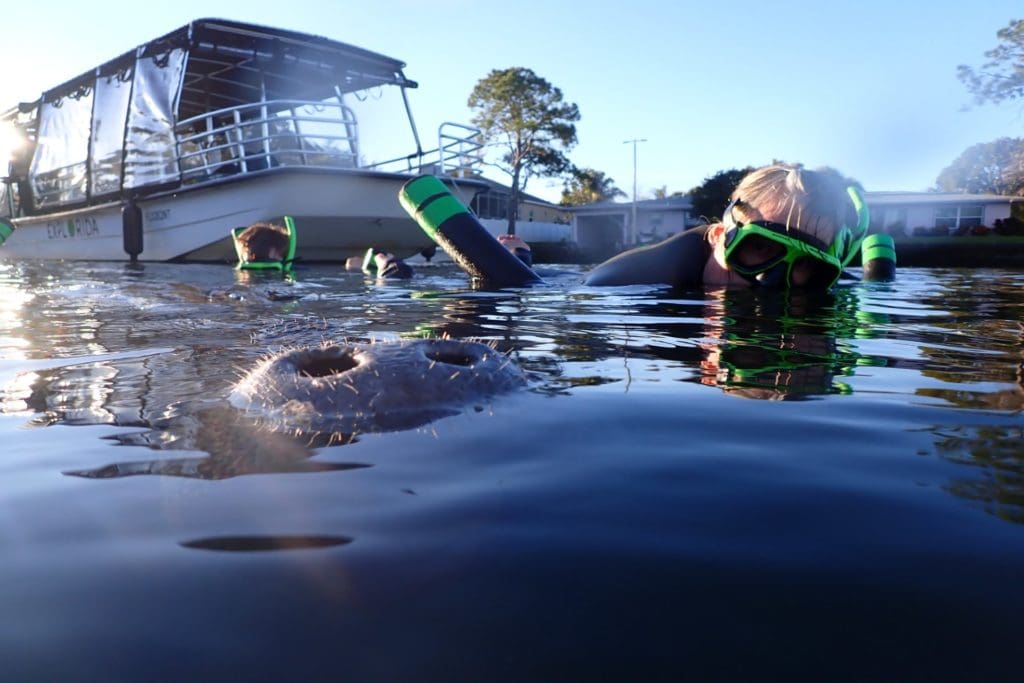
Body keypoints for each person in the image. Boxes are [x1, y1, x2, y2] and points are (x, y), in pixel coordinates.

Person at [583, 162, 884, 289]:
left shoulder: (825, 283)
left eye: (805, 264)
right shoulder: (625, 283)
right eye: (760, 246)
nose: (770, 284)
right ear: (718, 236)